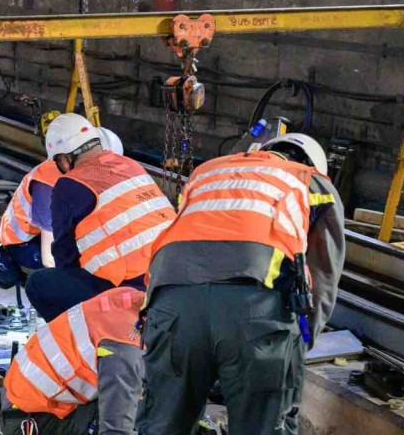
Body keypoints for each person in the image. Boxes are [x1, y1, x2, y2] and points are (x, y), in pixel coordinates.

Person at [140, 133, 346, 435]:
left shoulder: (206, 172)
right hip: (255, 313)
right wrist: (298, 346)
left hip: (170, 305)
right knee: (261, 426)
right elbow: (322, 280)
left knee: (162, 424)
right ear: (312, 163)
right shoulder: (311, 182)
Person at [25, 114, 175, 322]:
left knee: (38, 284)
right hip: (171, 276)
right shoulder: (131, 165)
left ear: (65, 160)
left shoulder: (68, 186)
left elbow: (64, 256)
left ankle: (84, 342)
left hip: (130, 287)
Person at [0, 127, 125, 291]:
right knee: (75, 264)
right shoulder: (48, 186)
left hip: (42, 231)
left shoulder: (72, 169)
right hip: (23, 243)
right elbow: (49, 259)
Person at [0, 286, 145, 435]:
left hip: (19, 399)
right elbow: (116, 430)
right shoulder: (125, 350)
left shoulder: (128, 297)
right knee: (143, 410)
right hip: (30, 419)